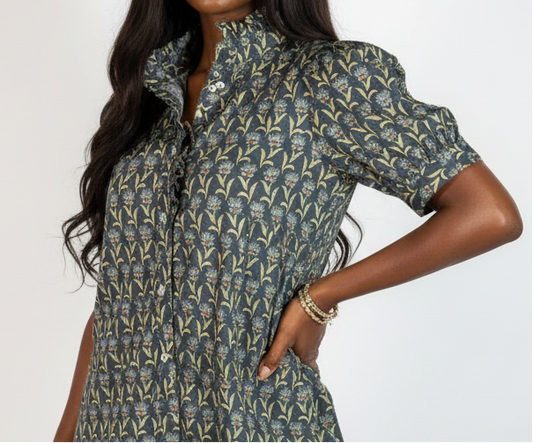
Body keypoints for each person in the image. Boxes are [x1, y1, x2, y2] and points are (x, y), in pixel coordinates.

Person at [54, 0, 523, 441]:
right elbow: (121, 298)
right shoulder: (149, 96)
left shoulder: (330, 79)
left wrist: (320, 297)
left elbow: (487, 212)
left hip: (253, 421)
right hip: (115, 424)